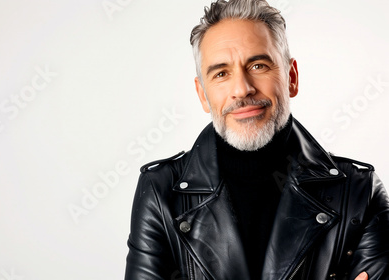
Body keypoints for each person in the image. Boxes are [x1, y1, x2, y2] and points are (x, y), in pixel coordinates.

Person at [124, 0, 389, 279]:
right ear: (203, 94)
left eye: (258, 65)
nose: (242, 89)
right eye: (221, 73)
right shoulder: (160, 191)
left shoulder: (359, 192)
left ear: (291, 77)